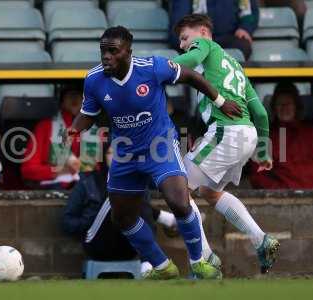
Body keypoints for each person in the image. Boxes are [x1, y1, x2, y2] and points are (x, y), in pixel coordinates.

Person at [68, 26, 242, 280]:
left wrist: (221, 102)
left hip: (159, 147)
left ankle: (198, 261)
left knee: (180, 203)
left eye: (112, 51)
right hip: (125, 153)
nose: (106, 56)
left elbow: (192, 76)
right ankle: (162, 266)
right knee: (123, 218)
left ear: (128, 52)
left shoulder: (153, 68)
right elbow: (88, 113)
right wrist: (74, 129)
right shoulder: (94, 79)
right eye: (103, 51)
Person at [173, 14, 279, 275]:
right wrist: (264, 150)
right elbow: (261, 113)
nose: (183, 45)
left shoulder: (206, 46)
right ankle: (260, 239)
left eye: (185, 38)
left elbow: (189, 61)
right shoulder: (235, 65)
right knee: (210, 193)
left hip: (226, 132)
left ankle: (205, 259)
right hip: (248, 134)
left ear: (203, 32)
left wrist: (154, 67)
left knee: (178, 190)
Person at [63, 145, 177, 274]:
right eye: (111, 153)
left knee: (132, 190)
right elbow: (68, 222)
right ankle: (166, 218)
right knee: (117, 196)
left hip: (128, 247)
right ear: (104, 157)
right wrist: (91, 220)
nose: (116, 157)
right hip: (96, 244)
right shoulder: (88, 182)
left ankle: (146, 262)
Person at [250, 82, 313, 189]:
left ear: (296, 106)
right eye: (280, 104)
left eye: (288, 103)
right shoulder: (267, 139)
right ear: (274, 108)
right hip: (284, 201)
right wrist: (278, 191)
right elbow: (257, 174)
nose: (284, 108)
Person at [21, 84, 83, 190]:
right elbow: (28, 169)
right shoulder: (45, 127)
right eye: (70, 95)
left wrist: (81, 168)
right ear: (61, 102)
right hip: (54, 187)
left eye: (78, 95)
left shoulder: (94, 129)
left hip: (87, 188)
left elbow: (100, 169)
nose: (74, 99)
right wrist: (58, 170)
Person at [169, 0, 259, 60]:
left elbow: (250, 14)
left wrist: (245, 28)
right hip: (199, 39)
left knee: (242, 45)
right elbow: (179, 23)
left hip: (229, 37)